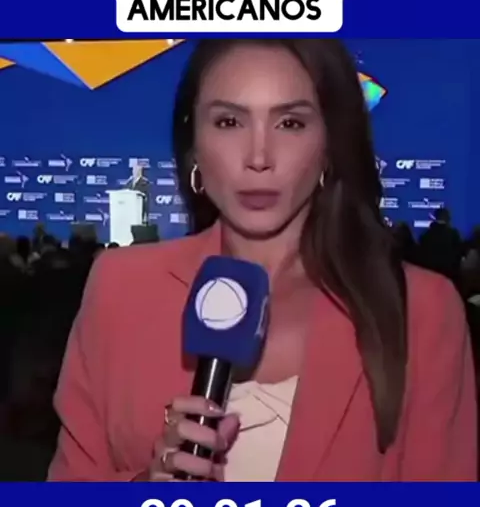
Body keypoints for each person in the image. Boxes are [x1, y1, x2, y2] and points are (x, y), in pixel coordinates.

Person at [48, 39, 477, 482]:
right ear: (193, 145)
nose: (258, 158)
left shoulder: (422, 310)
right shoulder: (119, 287)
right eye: (229, 121)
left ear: (329, 145)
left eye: (290, 123)